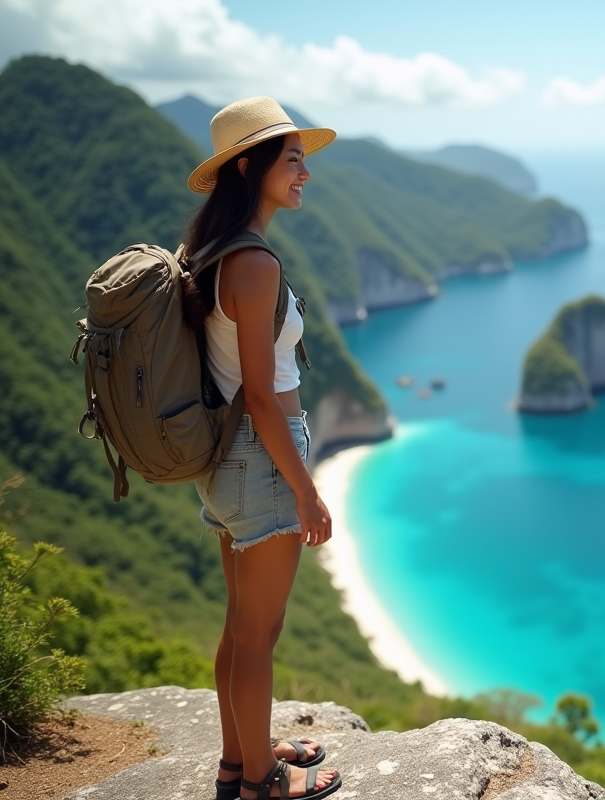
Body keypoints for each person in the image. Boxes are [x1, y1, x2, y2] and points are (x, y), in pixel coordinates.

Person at [183, 97, 342, 800]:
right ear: (249, 167)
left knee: (239, 630)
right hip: (263, 457)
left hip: (226, 462)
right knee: (258, 636)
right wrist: (306, 489)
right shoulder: (255, 262)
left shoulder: (212, 252)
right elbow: (260, 393)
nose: (305, 172)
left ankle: (238, 759)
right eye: (293, 159)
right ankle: (261, 782)